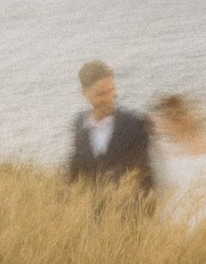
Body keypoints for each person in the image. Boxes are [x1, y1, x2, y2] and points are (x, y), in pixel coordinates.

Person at [66, 60, 157, 199]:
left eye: (111, 90)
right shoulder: (79, 124)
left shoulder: (135, 124)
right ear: (84, 92)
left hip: (133, 212)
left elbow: (145, 173)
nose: (109, 98)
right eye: (100, 94)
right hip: (95, 214)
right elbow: (75, 169)